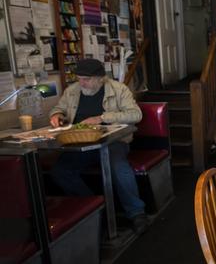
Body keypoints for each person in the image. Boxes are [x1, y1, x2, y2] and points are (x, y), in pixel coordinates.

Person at [49, 58, 148, 234]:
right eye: (79, 78)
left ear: (100, 78)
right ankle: (93, 206)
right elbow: (58, 108)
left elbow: (135, 114)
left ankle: (136, 212)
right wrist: (57, 115)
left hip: (113, 141)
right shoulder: (72, 91)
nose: (81, 83)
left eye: (86, 79)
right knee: (60, 171)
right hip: (81, 141)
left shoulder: (118, 89)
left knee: (118, 167)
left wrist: (102, 118)